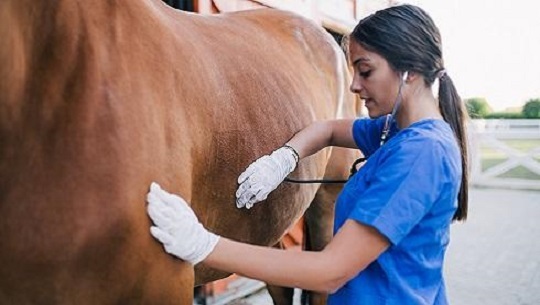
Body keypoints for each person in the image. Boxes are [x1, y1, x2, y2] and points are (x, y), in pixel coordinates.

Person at [146, 4, 469, 304]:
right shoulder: (396, 129)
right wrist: (283, 158)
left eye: (365, 70)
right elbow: (327, 129)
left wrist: (202, 244)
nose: (354, 86)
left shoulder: (420, 154)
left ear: (408, 71)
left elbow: (329, 271)